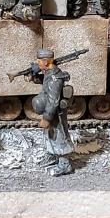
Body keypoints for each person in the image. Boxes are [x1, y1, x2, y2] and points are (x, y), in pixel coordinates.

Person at [28, 48, 76, 176]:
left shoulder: (55, 78)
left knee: (59, 135)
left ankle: (65, 165)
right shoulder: (49, 73)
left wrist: (46, 118)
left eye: (39, 61)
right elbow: (44, 82)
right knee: (51, 135)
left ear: (46, 62)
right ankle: (56, 158)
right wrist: (33, 77)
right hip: (52, 111)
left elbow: (53, 100)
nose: (37, 63)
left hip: (56, 113)